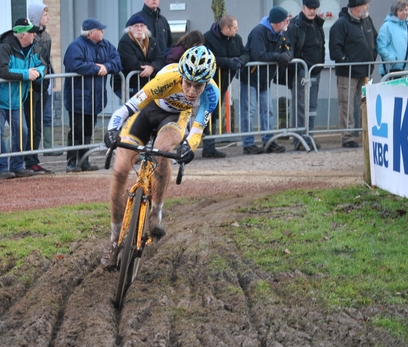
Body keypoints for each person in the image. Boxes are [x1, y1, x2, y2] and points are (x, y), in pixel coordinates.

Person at [100, 46, 219, 269]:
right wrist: (112, 130)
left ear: (207, 83)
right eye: (188, 83)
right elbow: (125, 110)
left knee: (163, 151)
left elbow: (196, 130)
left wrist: (188, 148)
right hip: (149, 112)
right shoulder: (165, 80)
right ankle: (114, 239)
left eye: (198, 86)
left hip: (175, 118)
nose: (192, 91)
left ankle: (156, 211)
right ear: (181, 76)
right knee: (120, 170)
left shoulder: (212, 94)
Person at [0, 18, 45, 180]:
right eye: (32, 32)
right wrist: (26, 74)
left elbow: (42, 65)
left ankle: (17, 165)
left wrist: (38, 73)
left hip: (17, 97)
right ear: (22, 34)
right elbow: (1, 72)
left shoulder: (33, 48)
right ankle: (1, 168)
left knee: (22, 131)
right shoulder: (4, 48)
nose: (34, 35)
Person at [63, 18, 122, 173]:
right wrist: (96, 69)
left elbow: (117, 61)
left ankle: (84, 161)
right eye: (100, 29)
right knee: (77, 129)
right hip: (78, 96)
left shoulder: (106, 45)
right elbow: (74, 64)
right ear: (90, 33)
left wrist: (106, 67)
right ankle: (72, 162)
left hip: (95, 97)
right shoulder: (76, 46)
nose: (103, 31)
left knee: (88, 129)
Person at [240, 6, 292, 155]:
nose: (288, 22)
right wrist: (278, 57)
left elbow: (289, 48)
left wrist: (287, 56)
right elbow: (259, 55)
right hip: (251, 77)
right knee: (249, 111)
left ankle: (268, 141)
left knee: (267, 110)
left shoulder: (281, 33)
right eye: (285, 20)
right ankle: (248, 143)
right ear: (277, 22)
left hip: (265, 78)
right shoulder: (259, 32)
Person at [329, 0, 377, 148]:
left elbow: (374, 39)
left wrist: (372, 56)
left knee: (365, 103)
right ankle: (347, 137)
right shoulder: (341, 24)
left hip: (365, 71)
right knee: (346, 105)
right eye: (365, 4)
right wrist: (346, 61)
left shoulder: (367, 20)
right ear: (356, 8)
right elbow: (335, 49)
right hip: (347, 73)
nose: (368, 7)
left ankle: (367, 134)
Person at [202, 15, 249, 158]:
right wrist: (228, 62)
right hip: (208, 83)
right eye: (235, 27)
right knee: (208, 113)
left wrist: (240, 61)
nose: (237, 30)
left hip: (223, 83)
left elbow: (245, 53)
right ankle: (208, 146)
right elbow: (209, 58)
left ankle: (210, 146)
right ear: (226, 28)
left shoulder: (237, 39)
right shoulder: (208, 38)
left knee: (215, 112)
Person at [286, 0, 326, 151]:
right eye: (310, 8)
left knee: (312, 106)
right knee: (301, 106)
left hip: (315, 69)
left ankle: (309, 136)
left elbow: (321, 45)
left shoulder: (317, 24)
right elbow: (289, 48)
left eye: (315, 8)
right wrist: (297, 68)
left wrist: (321, 63)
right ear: (303, 8)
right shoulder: (295, 25)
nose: (312, 11)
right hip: (301, 70)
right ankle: (300, 139)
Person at [23, 2, 55, 173]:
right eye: (45, 15)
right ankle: (27, 158)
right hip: (30, 86)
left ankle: (33, 158)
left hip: (42, 85)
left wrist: (48, 78)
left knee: (38, 124)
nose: (48, 18)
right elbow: (37, 60)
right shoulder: (30, 35)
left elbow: (47, 61)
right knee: (28, 123)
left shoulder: (47, 36)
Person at [114, 15, 165, 99]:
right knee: (134, 110)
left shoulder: (152, 41)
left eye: (142, 26)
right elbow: (132, 64)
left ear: (146, 28)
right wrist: (149, 67)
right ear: (130, 28)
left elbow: (161, 60)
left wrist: (152, 67)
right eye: (136, 26)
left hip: (147, 85)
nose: (139, 28)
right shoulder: (125, 42)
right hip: (130, 85)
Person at [377, 0, 408, 76]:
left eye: (406, 10)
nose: (404, 13)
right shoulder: (386, 26)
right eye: (401, 10)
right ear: (395, 11)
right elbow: (381, 47)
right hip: (392, 70)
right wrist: (392, 60)